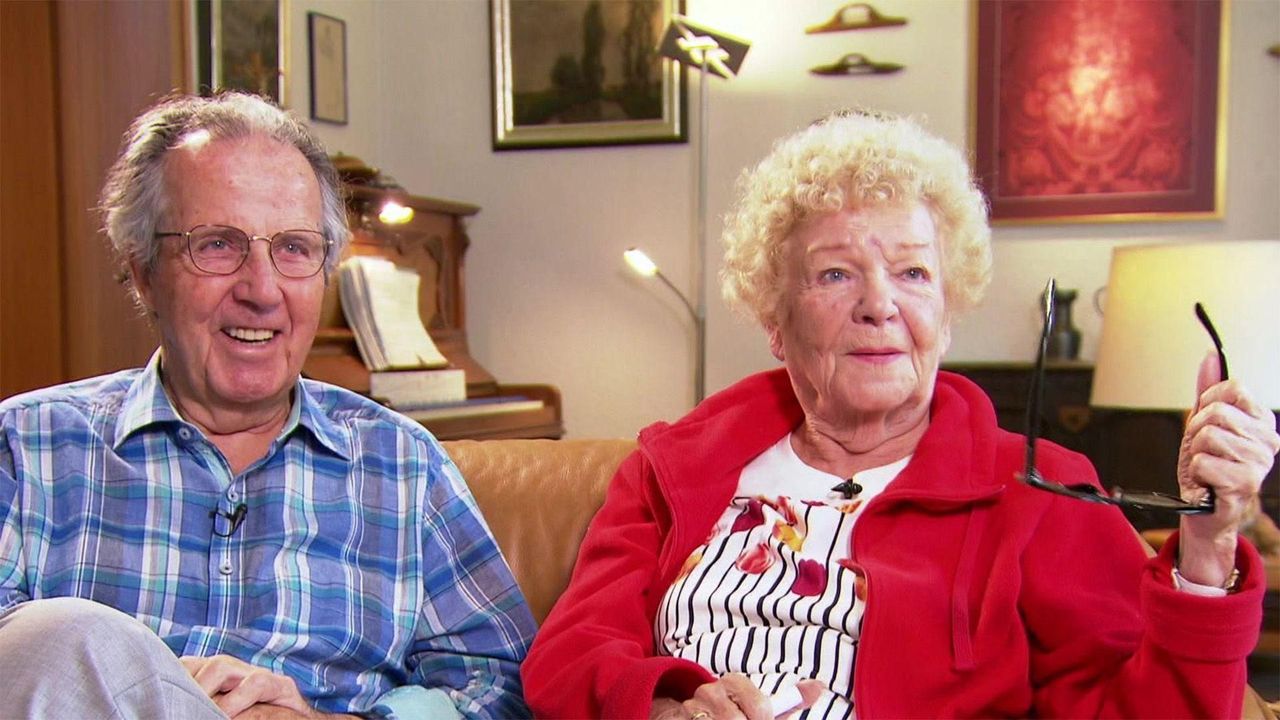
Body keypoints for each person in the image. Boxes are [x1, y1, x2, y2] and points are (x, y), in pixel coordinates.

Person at [520, 110, 1280, 719]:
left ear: (946, 313)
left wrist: (1207, 547)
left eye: (913, 272)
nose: (879, 304)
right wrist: (662, 706)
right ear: (775, 320)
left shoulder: (1039, 491)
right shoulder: (675, 469)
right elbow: (569, 657)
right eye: (835, 274)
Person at [0, 92, 536, 719]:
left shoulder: (402, 462)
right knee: (62, 638)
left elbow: (502, 690)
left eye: (294, 249)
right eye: (217, 245)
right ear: (143, 271)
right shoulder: (27, 445)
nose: (261, 290)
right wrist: (145, 685)